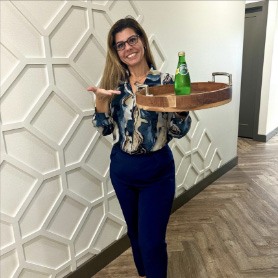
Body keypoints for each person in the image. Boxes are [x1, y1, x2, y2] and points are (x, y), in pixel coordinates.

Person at [87, 17, 191, 278]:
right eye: (120, 45)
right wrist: (100, 103)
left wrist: (181, 109)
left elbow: (179, 131)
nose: (127, 48)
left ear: (142, 41)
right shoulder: (115, 87)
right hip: (122, 171)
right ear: (116, 52)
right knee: (134, 232)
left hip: (156, 172)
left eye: (132, 40)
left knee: (152, 241)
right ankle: (144, 272)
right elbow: (105, 129)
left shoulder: (166, 81)